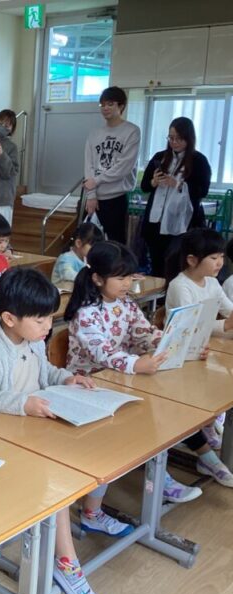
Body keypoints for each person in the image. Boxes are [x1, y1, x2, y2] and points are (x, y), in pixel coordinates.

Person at [0, 268, 116, 594]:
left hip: (31, 430)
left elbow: (43, 371)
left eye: (49, 318)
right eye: (40, 320)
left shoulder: (33, 340)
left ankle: (90, 514)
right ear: (9, 318)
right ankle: (66, 563)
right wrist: (24, 403)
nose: (48, 326)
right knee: (55, 480)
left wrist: (65, 378)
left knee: (97, 450)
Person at [65, 241, 204, 502]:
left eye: (129, 276)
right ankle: (158, 480)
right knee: (145, 419)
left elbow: (144, 332)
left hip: (120, 379)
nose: (127, 283)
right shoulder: (86, 313)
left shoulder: (125, 303)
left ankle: (164, 473)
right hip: (89, 385)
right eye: (120, 278)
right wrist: (135, 364)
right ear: (97, 278)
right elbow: (102, 353)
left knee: (163, 407)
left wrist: (178, 344)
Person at [165, 228, 233, 485]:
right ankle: (203, 439)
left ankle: (209, 425)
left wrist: (228, 321)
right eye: (213, 257)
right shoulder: (180, 286)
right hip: (183, 354)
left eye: (221, 256)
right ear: (192, 260)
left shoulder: (212, 283)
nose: (220, 263)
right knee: (205, 389)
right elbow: (191, 326)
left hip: (204, 349)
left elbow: (228, 309)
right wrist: (226, 325)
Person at [140, 117, 211, 277]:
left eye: (178, 138)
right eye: (171, 138)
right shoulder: (160, 157)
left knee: (175, 263)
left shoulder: (198, 160)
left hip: (182, 223)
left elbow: (202, 190)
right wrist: (154, 181)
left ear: (188, 138)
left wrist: (178, 184)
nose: (174, 142)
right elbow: (144, 186)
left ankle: (172, 291)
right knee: (156, 263)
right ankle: (157, 292)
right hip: (156, 221)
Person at [83, 87, 140, 244]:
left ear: (121, 106)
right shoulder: (94, 134)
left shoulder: (132, 131)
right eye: (102, 105)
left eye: (110, 104)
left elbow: (124, 166)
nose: (105, 108)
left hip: (116, 197)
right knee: (87, 243)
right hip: (93, 197)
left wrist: (97, 180)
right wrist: (91, 195)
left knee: (115, 243)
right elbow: (88, 165)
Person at [51, 222, 104, 287]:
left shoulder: (85, 258)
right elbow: (67, 275)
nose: (95, 250)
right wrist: (91, 278)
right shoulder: (65, 258)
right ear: (78, 243)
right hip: (62, 291)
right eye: (92, 246)